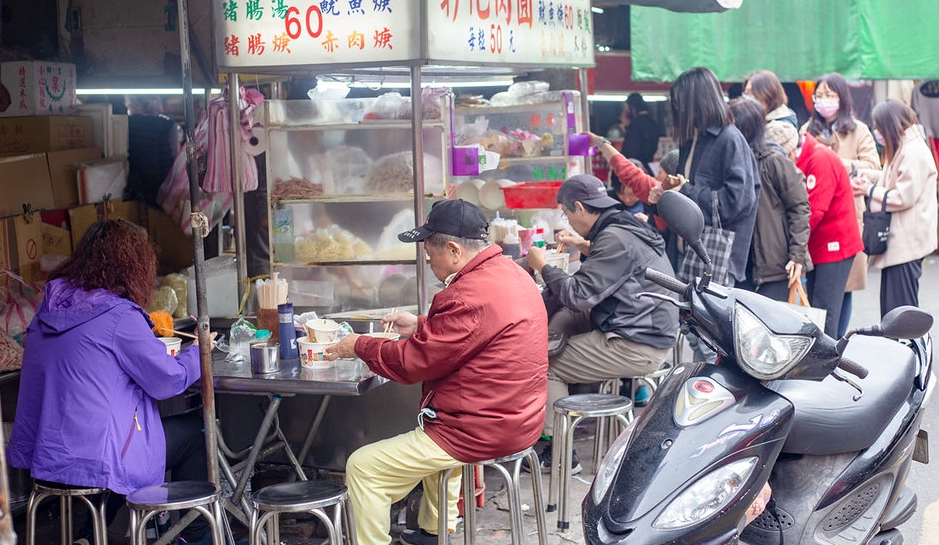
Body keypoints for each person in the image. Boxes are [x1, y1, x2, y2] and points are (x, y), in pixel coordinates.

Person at [323, 199, 548, 545]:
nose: (428, 262)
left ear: (454, 250)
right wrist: (421, 324)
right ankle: (435, 530)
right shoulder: (512, 272)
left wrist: (358, 345)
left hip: (481, 429)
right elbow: (475, 331)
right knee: (433, 422)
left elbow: (414, 363)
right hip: (519, 418)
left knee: (363, 467)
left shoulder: (466, 294)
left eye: (430, 253)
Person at [6, 219, 214, 545]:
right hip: (95, 464)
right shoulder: (119, 316)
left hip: (46, 461)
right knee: (197, 432)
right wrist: (199, 353)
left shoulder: (46, 311)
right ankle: (195, 537)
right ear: (133, 267)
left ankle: (89, 535)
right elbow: (168, 382)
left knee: (123, 439)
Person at [524, 174, 678, 467]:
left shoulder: (613, 237)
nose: (567, 220)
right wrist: (583, 245)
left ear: (580, 207)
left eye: (567, 213)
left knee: (546, 366)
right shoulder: (622, 225)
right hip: (641, 323)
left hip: (638, 342)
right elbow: (616, 265)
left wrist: (541, 265)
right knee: (564, 320)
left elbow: (577, 294)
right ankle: (571, 388)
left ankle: (561, 456)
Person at [649, 67, 760, 362]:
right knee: (696, 335)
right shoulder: (691, 142)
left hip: (714, 257)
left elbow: (738, 202)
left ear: (695, 102)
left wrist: (686, 191)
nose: (675, 110)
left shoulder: (729, 139)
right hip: (689, 254)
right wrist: (665, 194)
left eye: (678, 103)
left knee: (711, 343)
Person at [800, 72, 881, 335]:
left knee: (843, 285)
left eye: (830, 95)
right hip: (815, 211)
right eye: (819, 95)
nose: (824, 101)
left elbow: (874, 168)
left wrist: (837, 164)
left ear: (842, 98)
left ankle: (836, 340)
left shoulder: (859, 130)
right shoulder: (806, 131)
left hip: (847, 216)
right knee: (817, 286)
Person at [768, 123, 862, 340]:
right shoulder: (809, 156)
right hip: (822, 243)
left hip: (834, 242)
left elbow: (814, 211)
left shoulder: (818, 159)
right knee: (823, 306)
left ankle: (827, 363)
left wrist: (794, 245)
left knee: (825, 309)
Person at [852, 99, 938, 317]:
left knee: (901, 310)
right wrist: (872, 177)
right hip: (901, 241)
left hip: (907, 242)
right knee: (894, 308)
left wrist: (870, 190)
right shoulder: (905, 146)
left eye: (879, 127)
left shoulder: (913, 151)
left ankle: (909, 349)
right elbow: (895, 178)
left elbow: (904, 196)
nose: (877, 132)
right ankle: (901, 347)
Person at [729, 97, 812, 302]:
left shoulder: (773, 161)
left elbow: (800, 207)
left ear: (744, 128)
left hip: (777, 268)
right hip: (740, 268)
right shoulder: (730, 162)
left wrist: (796, 256)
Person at [620, 92, 661, 164]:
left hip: (634, 167)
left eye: (626, 109)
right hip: (648, 165)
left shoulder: (635, 125)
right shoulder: (653, 123)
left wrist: (627, 127)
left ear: (632, 108)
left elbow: (630, 151)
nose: (625, 112)